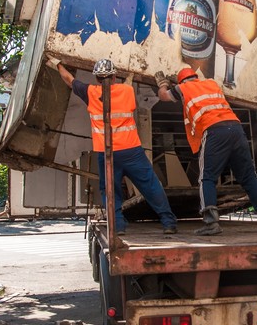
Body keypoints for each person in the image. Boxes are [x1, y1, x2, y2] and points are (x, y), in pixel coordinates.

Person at [50, 57, 178, 235]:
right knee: (150, 185)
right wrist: (131, 73)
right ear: (114, 76)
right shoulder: (127, 90)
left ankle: (118, 227)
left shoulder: (91, 92)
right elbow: (126, 87)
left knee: (110, 190)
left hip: (107, 152)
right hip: (131, 150)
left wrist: (57, 63)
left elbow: (69, 80)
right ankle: (168, 222)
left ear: (96, 78)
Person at [155, 65, 257, 235]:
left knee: (207, 178)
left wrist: (162, 84)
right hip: (236, 129)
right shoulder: (211, 84)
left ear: (181, 81)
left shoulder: (182, 88)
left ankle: (211, 223)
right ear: (195, 77)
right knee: (248, 176)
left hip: (214, 131)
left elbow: (164, 96)